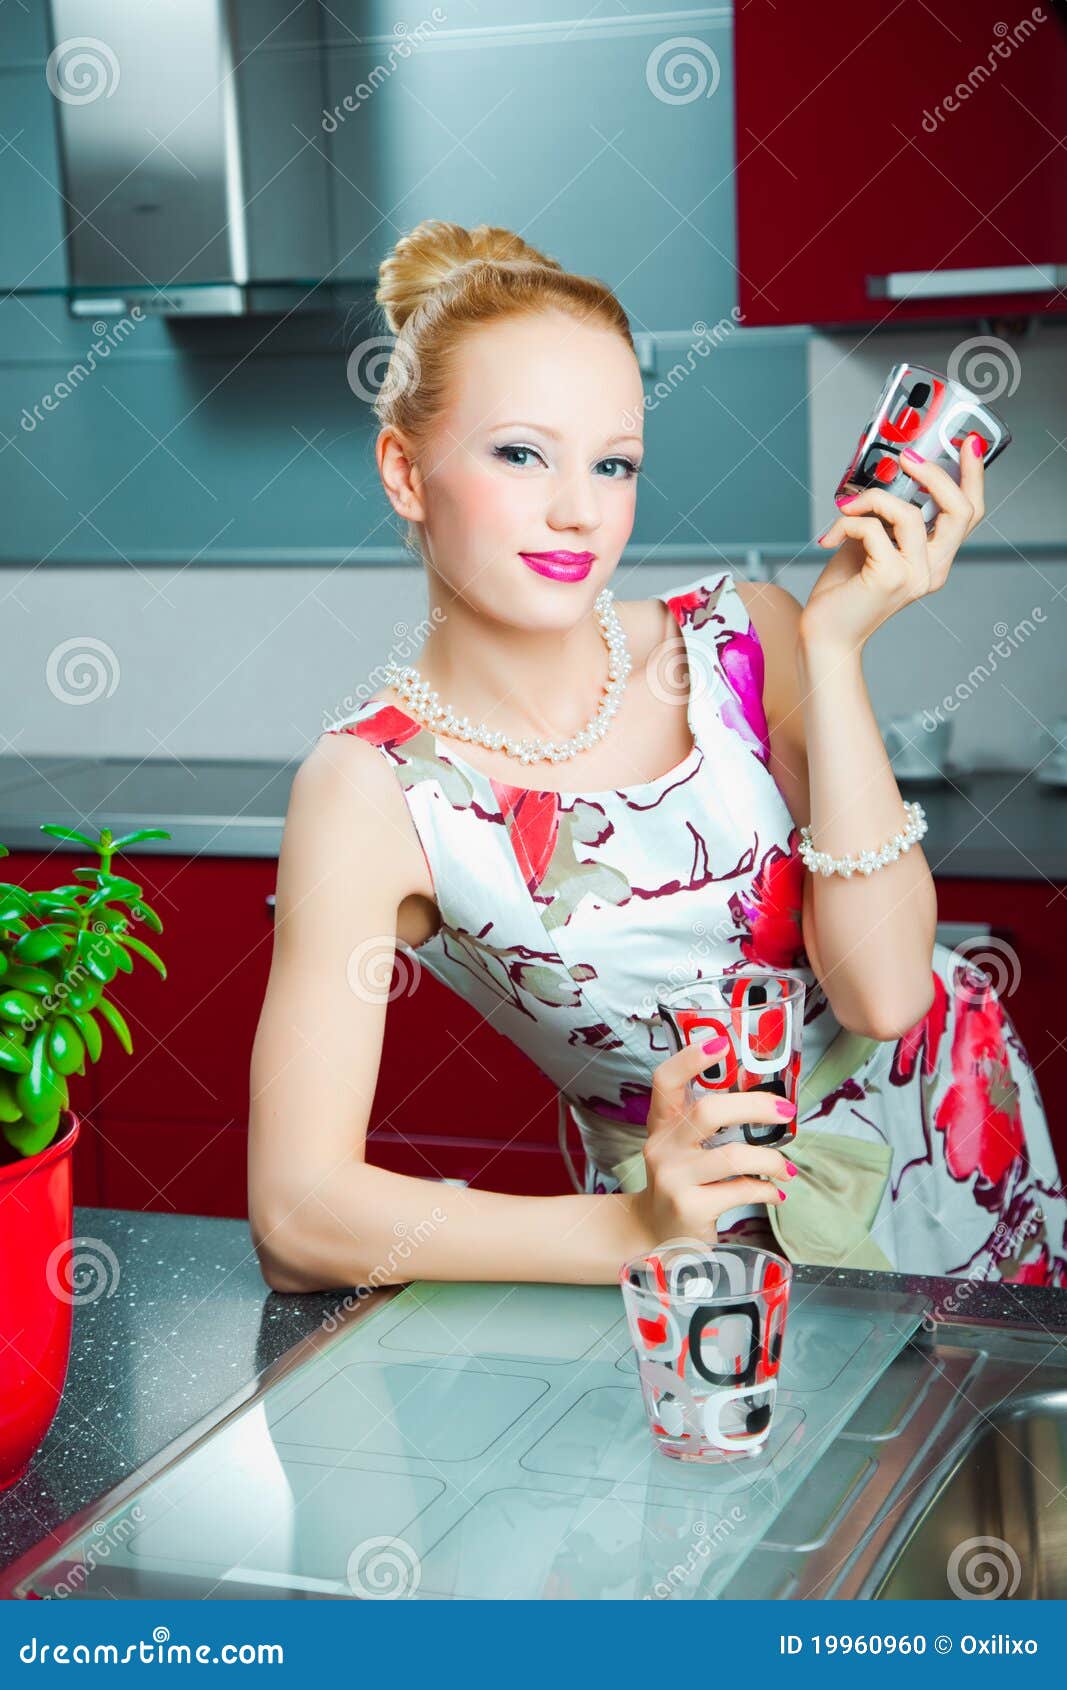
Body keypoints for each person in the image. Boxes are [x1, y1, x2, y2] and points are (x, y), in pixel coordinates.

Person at [248, 219, 1067, 1295]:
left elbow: (880, 996)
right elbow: (297, 1216)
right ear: (405, 472)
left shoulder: (748, 636)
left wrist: (831, 646)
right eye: (518, 453)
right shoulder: (371, 791)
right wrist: (631, 1227)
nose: (578, 510)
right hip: (693, 1245)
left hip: (955, 1122)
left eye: (613, 462)